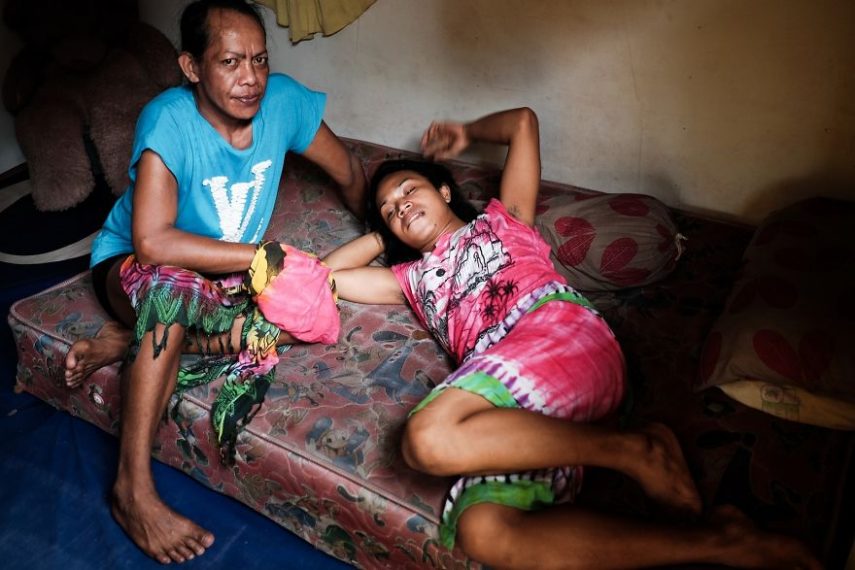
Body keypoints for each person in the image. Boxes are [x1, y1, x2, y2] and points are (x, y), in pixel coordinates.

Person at [321, 107, 821, 569]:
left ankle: (630, 451)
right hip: (508, 390)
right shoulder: (409, 280)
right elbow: (327, 276)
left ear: (445, 190)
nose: (401, 206)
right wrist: (384, 234)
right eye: (389, 209)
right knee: (485, 531)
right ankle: (719, 542)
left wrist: (468, 133)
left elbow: (522, 123)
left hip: (556, 334)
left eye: (410, 190)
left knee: (427, 439)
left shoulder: (504, 220)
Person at [62, 0, 366, 564]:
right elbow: (152, 241)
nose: (250, 78)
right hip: (133, 266)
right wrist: (258, 254)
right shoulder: (168, 118)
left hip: (219, 277)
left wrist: (384, 226)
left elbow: (348, 169)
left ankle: (124, 342)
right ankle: (132, 488)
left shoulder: (284, 102)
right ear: (191, 67)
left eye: (259, 59)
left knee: (297, 318)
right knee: (172, 289)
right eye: (229, 61)